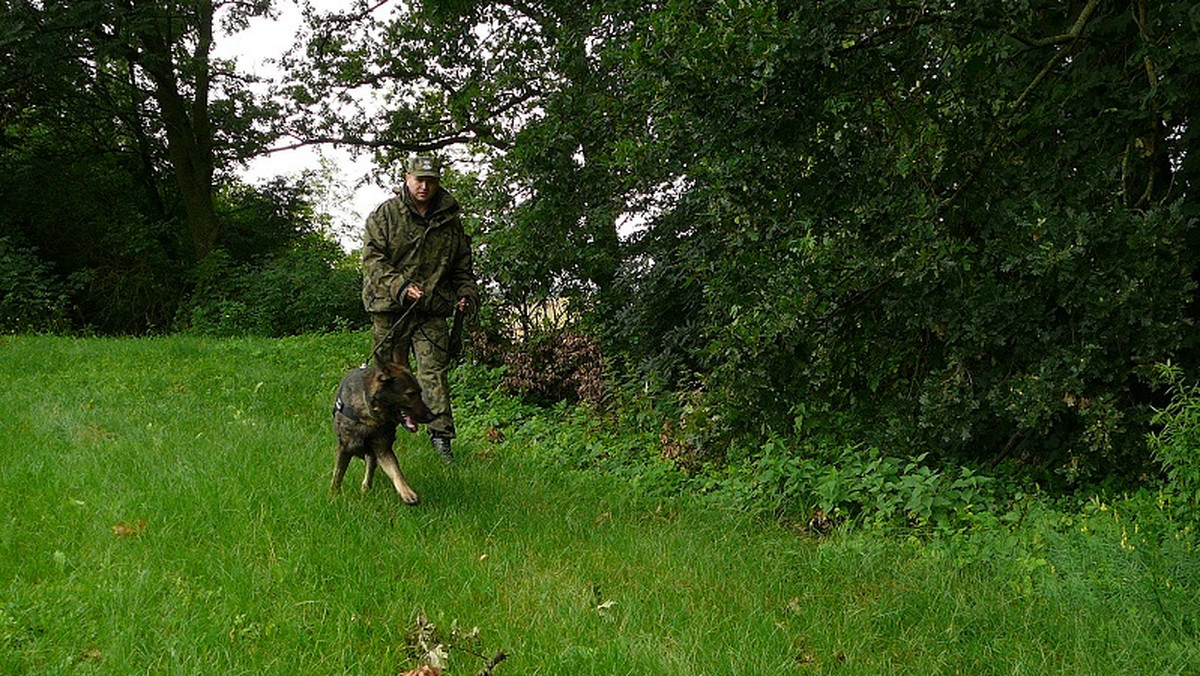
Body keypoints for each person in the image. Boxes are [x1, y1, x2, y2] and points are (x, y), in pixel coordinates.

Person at [361, 154, 478, 462]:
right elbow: (373, 260)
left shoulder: (450, 222)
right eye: (419, 179)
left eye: (431, 181)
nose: (425, 186)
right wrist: (400, 286)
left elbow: (462, 267)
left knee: (433, 372)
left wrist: (465, 292)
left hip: (431, 308)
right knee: (384, 375)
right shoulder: (385, 215)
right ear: (407, 178)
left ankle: (441, 440)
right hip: (389, 307)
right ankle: (375, 433)